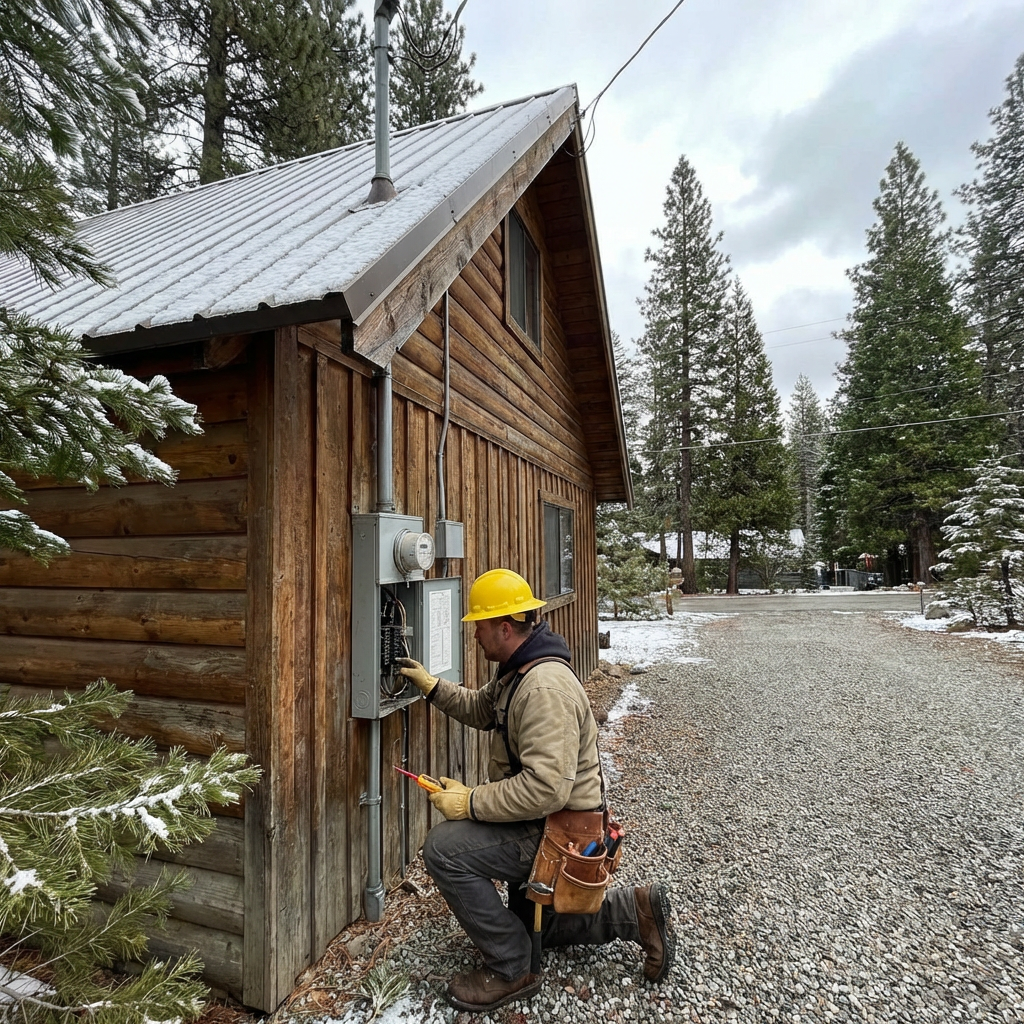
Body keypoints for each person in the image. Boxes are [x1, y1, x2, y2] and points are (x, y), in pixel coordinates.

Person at [396, 568, 675, 1014]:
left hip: (557, 831)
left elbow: (545, 788)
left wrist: (469, 801)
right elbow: (481, 708)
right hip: (551, 823)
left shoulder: (543, 688)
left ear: (505, 628)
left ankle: (510, 968)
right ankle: (634, 911)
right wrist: (432, 688)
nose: (475, 637)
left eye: (480, 627)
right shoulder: (519, 670)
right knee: (540, 925)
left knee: (444, 849)